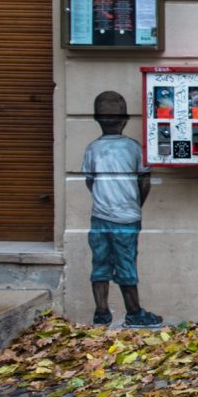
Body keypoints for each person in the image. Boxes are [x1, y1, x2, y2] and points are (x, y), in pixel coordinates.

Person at [83, 91, 162, 327]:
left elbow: (89, 180)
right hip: (127, 217)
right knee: (127, 264)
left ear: (97, 120)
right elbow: (145, 180)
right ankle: (134, 312)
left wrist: (103, 200)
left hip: (99, 217)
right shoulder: (134, 148)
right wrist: (135, 205)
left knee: (100, 265)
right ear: (125, 121)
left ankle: (101, 312)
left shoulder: (92, 148)